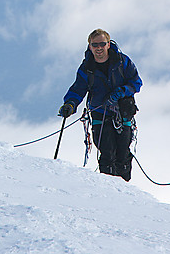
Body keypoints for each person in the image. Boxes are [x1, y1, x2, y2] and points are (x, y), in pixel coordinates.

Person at [58, 29, 142, 181]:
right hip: (99, 114)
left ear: (108, 44)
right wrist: (70, 104)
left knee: (123, 153)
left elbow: (136, 82)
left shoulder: (123, 61)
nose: (98, 48)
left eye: (102, 44)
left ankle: (124, 188)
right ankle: (108, 189)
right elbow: (78, 89)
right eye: (94, 45)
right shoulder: (87, 68)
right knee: (107, 152)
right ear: (90, 47)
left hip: (123, 113)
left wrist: (122, 92)